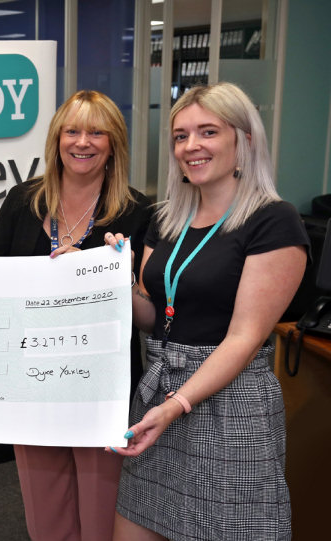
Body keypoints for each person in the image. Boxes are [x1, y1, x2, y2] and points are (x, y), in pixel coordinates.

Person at [0, 90, 152, 541]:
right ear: (57, 139)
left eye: (96, 132)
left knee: (101, 515)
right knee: (45, 514)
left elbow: (148, 311)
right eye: (72, 131)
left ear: (114, 144)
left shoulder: (138, 213)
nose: (83, 142)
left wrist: (105, 274)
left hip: (100, 389)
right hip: (30, 382)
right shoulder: (23, 201)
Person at [106, 82, 309, 541]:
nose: (191, 145)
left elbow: (244, 338)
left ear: (245, 140)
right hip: (159, 394)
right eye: (180, 136)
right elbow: (154, 319)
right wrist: (113, 279)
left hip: (229, 407)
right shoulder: (165, 218)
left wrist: (176, 405)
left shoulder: (274, 220)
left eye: (208, 132)